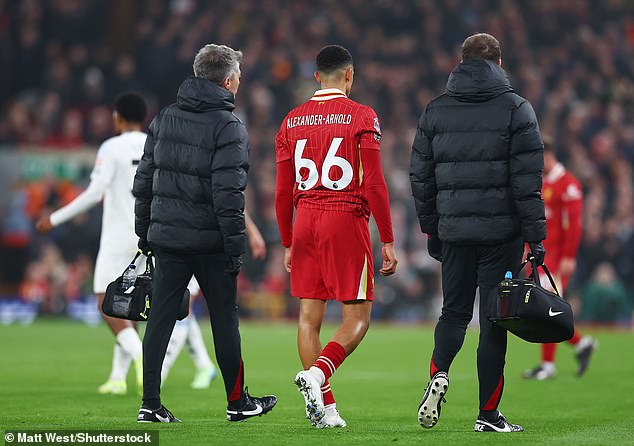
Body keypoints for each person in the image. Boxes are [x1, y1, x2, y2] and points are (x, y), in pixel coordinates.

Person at [409, 33, 546, 433]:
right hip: (501, 236)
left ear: (461, 63)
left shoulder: (435, 111)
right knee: (493, 322)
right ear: (499, 64)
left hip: (454, 233)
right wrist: (536, 238)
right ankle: (487, 415)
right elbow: (527, 182)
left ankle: (439, 373)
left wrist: (433, 228)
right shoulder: (517, 109)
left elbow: (420, 177)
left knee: (452, 312)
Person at [133, 43, 276, 423]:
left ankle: (150, 404)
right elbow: (227, 195)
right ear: (228, 81)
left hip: (168, 239)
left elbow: (144, 180)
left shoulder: (164, 118)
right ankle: (237, 402)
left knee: (160, 319)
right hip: (211, 242)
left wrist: (144, 233)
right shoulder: (229, 126)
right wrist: (235, 246)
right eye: (239, 77)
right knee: (224, 321)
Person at [275, 44, 398, 428]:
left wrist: (288, 240)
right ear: (350, 75)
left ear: (316, 77)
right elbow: (375, 182)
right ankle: (318, 375)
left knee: (308, 318)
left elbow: (281, 192)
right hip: (344, 217)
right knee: (357, 316)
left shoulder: (290, 121)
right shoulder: (363, 116)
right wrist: (388, 239)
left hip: (304, 218)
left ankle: (326, 410)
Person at [35, 92, 148, 396]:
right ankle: (117, 377)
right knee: (130, 307)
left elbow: (94, 192)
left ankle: (141, 355)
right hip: (148, 237)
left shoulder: (111, 147)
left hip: (116, 237)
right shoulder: (155, 144)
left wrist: (54, 218)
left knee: (105, 302)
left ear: (118, 118)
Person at [160, 213, 266, 389]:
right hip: (180, 237)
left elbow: (230, 198)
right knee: (183, 307)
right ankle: (204, 365)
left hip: (200, 242)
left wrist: (252, 232)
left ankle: (161, 371)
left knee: (181, 304)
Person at [522, 139, 597, 381]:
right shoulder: (542, 182)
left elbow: (573, 226)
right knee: (546, 310)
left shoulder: (568, 185)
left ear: (549, 155)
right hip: (541, 256)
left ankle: (549, 364)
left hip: (555, 259)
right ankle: (581, 343)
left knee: (548, 311)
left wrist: (569, 257)